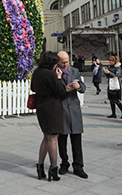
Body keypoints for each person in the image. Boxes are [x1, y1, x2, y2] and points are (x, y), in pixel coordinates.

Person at [31, 51, 67, 182]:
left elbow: (33, 88)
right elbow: (61, 92)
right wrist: (58, 78)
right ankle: (53, 168)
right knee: (52, 139)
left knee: (46, 137)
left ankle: (40, 167)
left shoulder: (36, 72)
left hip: (41, 106)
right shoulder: (51, 74)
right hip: (52, 107)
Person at [57, 51, 88, 179]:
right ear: (58, 62)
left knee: (77, 140)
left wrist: (79, 86)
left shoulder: (74, 71)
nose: (65, 64)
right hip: (61, 109)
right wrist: (65, 88)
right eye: (63, 62)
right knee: (62, 140)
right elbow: (53, 91)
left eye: (67, 61)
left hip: (74, 108)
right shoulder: (55, 72)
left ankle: (78, 166)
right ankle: (64, 163)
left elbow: (84, 87)